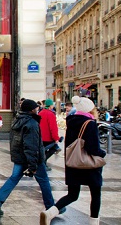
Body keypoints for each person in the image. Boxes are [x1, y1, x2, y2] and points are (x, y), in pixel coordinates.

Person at [40, 96, 107, 225]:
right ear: (90, 110)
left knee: (72, 194)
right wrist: (102, 153)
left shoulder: (71, 121)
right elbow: (92, 148)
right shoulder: (90, 123)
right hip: (88, 164)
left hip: (73, 163)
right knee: (95, 194)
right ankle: (94, 223)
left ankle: (50, 213)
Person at [0, 99, 55, 216]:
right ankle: (51, 207)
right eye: (36, 108)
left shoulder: (17, 120)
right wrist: (33, 165)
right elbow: (32, 146)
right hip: (32, 158)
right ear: (31, 110)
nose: (38, 109)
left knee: (13, 178)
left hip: (20, 157)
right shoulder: (32, 123)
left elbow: (15, 141)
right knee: (44, 181)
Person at [39, 99, 62, 170]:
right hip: (48, 137)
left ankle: (43, 164)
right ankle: (42, 163)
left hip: (40, 136)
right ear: (51, 106)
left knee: (43, 150)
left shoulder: (40, 113)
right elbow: (53, 128)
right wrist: (56, 138)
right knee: (54, 147)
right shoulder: (51, 114)